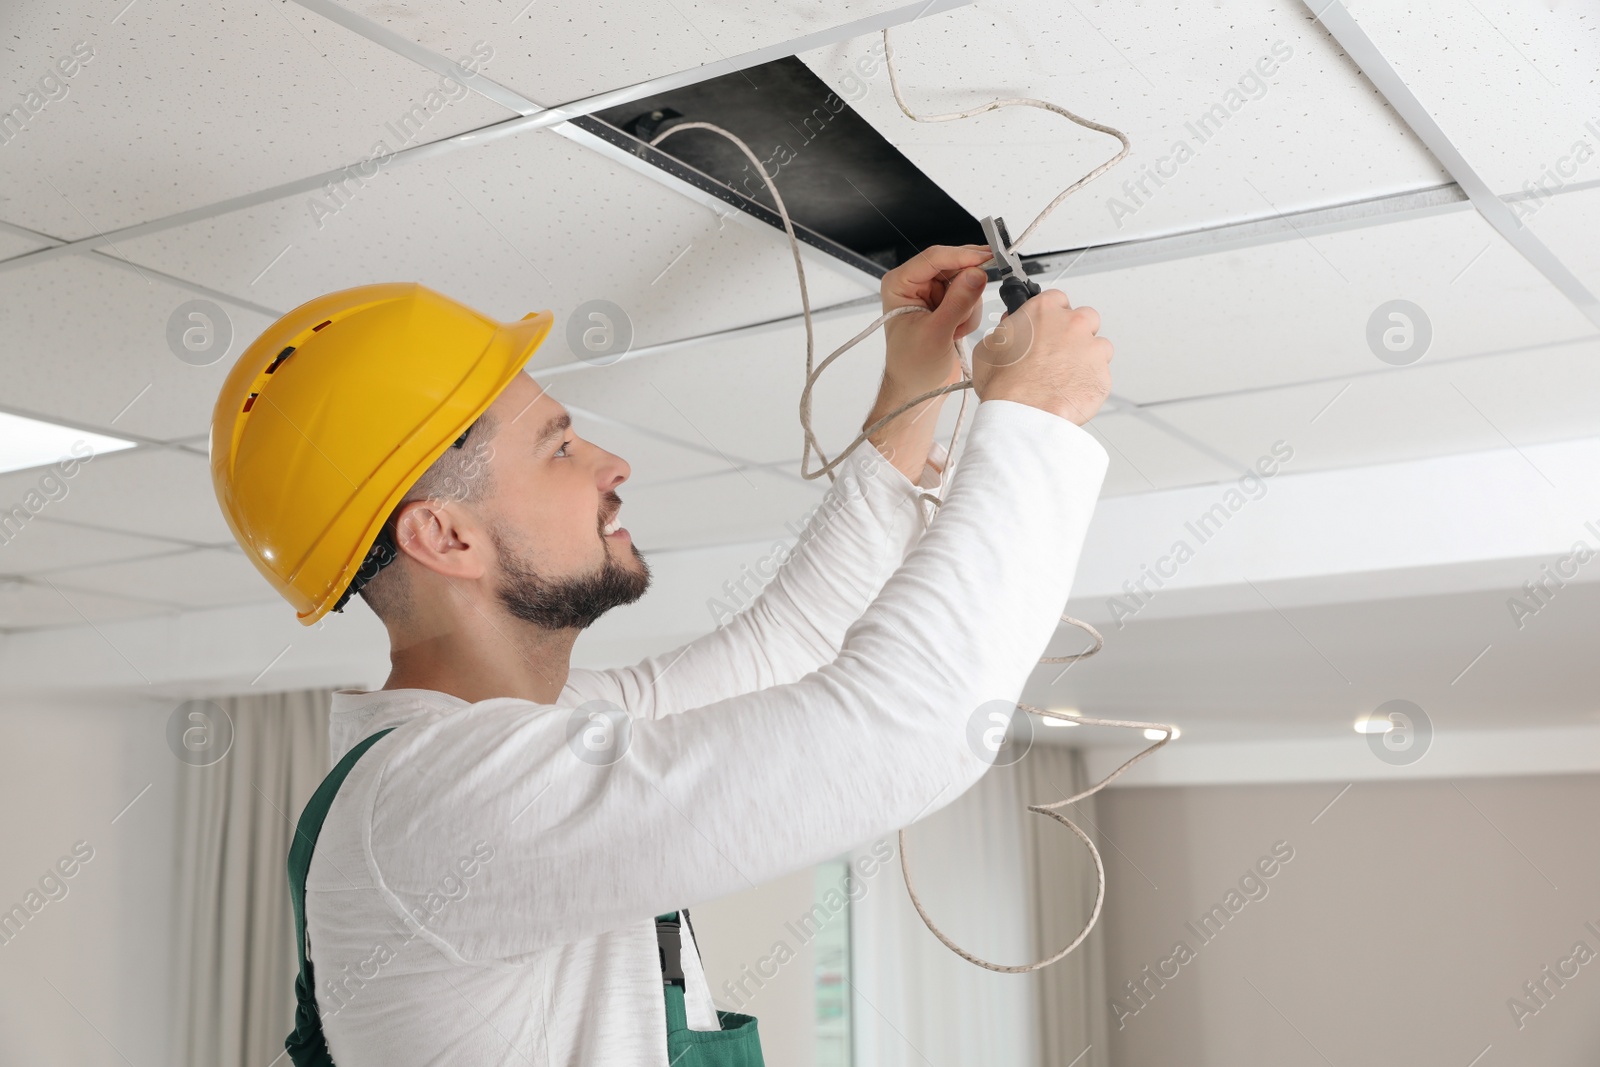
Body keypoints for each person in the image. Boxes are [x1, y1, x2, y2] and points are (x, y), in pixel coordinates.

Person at [209, 245, 1112, 1066]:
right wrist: (1037, 419)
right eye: (558, 446)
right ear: (444, 534)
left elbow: (784, 650)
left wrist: (912, 392)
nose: (611, 463)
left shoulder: (519, 741)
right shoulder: (441, 802)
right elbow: (904, 730)